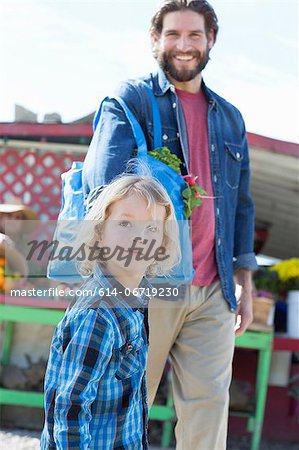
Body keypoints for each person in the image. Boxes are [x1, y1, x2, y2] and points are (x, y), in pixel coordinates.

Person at [82, 1, 258, 448]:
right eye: (174, 35)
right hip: (147, 285)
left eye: (194, 35)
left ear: (210, 40)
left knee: (207, 416)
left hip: (213, 289)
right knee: (124, 406)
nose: (184, 45)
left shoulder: (230, 118)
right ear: (155, 40)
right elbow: (104, 193)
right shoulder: (131, 100)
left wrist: (244, 279)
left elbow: (241, 205)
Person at [41, 173, 181, 450]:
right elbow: (70, 408)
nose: (138, 237)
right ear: (99, 231)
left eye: (152, 228)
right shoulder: (98, 315)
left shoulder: (135, 301)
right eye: (125, 223)